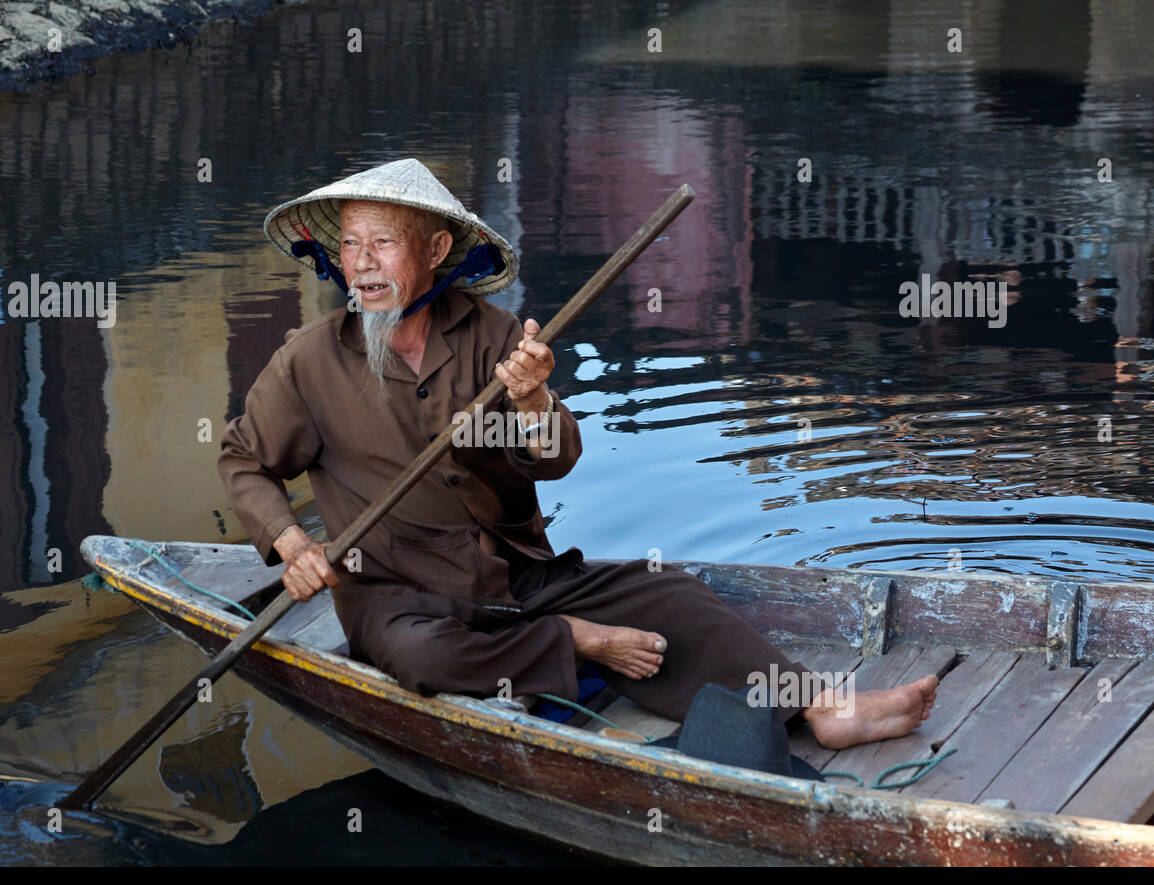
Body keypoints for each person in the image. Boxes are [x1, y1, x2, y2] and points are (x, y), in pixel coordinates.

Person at [219, 158, 937, 749]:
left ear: (435, 251)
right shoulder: (309, 360)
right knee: (420, 657)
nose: (362, 265)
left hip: (516, 578)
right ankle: (576, 641)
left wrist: (533, 402)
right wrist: (288, 539)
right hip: (397, 598)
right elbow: (244, 460)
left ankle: (819, 709)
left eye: (383, 243)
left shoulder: (493, 335)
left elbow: (555, 459)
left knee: (672, 595)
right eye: (350, 244)